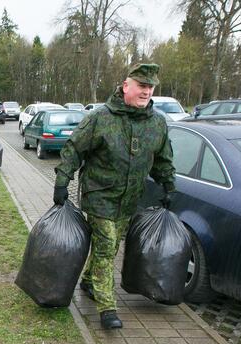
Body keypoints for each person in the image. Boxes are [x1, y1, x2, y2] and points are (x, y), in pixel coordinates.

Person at [53, 64, 176, 329]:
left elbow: (163, 159)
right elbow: (74, 148)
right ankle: (107, 308)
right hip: (100, 196)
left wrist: (168, 186)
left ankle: (88, 281)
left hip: (130, 199)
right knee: (108, 245)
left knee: (108, 246)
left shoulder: (157, 123)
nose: (146, 91)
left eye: (150, 87)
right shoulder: (101, 118)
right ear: (125, 86)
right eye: (141, 86)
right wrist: (62, 181)